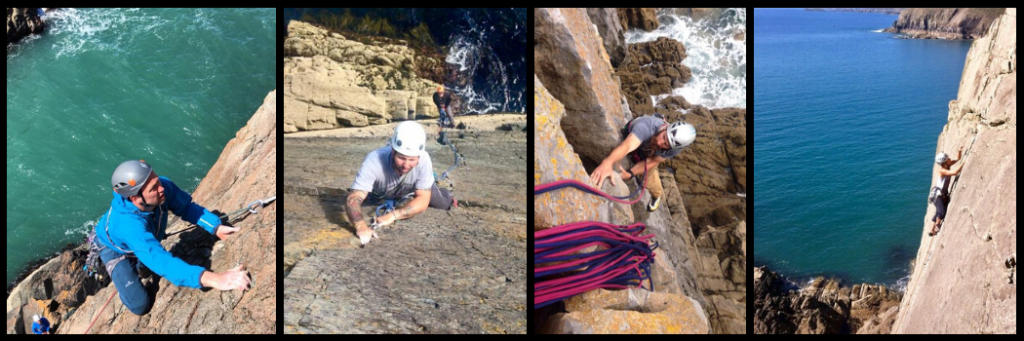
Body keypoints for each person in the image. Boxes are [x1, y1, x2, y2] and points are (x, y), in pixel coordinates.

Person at [94, 160, 250, 316]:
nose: (161, 188)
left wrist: (215, 227)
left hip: (142, 237)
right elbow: (160, 261)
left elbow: (187, 207)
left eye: (157, 181)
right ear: (135, 198)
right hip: (114, 249)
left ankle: (141, 265)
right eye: (153, 188)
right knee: (140, 305)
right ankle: (124, 273)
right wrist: (213, 279)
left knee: (147, 266)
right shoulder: (128, 226)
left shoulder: (162, 187)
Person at [346, 122, 458, 245]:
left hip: (413, 187)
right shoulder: (374, 160)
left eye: (412, 160)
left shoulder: (424, 159)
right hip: (382, 191)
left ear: (419, 157)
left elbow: (423, 200)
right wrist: (360, 226)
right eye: (402, 158)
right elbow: (354, 198)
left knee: (441, 203)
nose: (406, 165)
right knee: (364, 202)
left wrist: (393, 216)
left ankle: (444, 192)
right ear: (393, 151)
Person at [590, 115, 697, 211]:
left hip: (648, 153)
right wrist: (607, 162)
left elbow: (653, 161)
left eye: (666, 144)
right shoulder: (647, 126)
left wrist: (630, 173)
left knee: (648, 179)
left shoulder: (674, 149)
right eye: (664, 137)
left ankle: (657, 195)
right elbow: (627, 145)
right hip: (639, 142)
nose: (660, 142)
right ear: (666, 128)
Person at [929, 147, 966, 236]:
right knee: (941, 212)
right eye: (948, 159)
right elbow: (954, 173)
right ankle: (937, 225)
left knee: (938, 212)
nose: (950, 159)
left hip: (942, 194)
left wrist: (959, 151)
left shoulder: (948, 166)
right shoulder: (942, 170)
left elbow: (957, 159)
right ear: (944, 162)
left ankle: (932, 230)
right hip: (937, 195)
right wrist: (964, 163)